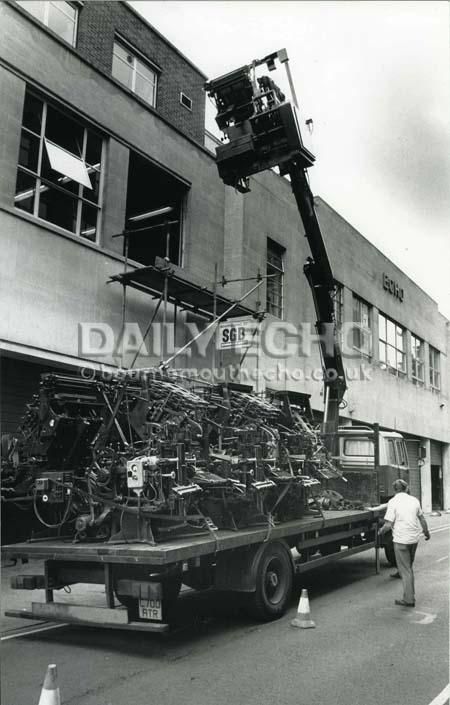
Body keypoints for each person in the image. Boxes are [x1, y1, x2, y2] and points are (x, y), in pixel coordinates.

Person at [378, 479, 430, 607]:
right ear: (406, 488)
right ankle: (410, 595)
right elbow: (422, 518)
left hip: (401, 540)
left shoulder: (393, 502)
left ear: (394, 489)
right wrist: (426, 532)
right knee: (408, 568)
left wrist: (380, 531)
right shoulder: (414, 500)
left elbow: (388, 524)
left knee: (405, 570)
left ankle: (409, 599)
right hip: (414, 539)